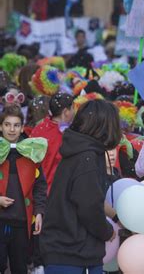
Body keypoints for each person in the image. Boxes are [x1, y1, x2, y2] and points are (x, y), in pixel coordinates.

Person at [40, 100, 121, 274]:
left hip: (65, 250)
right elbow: (89, 206)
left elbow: (90, 197)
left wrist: (116, 218)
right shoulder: (87, 157)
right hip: (72, 253)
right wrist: (107, 232)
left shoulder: (79, 150)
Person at [0, 104, 47, 274]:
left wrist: (40, 211)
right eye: (7, 124)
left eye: (16, 125)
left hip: (21, 223)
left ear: (22, 128)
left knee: (20, 269)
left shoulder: (31, 153)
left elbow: (40, 186)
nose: (11, 129)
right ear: (1, 126)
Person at [30, 93, 74, 193]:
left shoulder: (39, 128)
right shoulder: (66, 135)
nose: (74, 111)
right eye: (72, 108)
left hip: (36, 191)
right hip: (54, 193)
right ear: (66, 112)